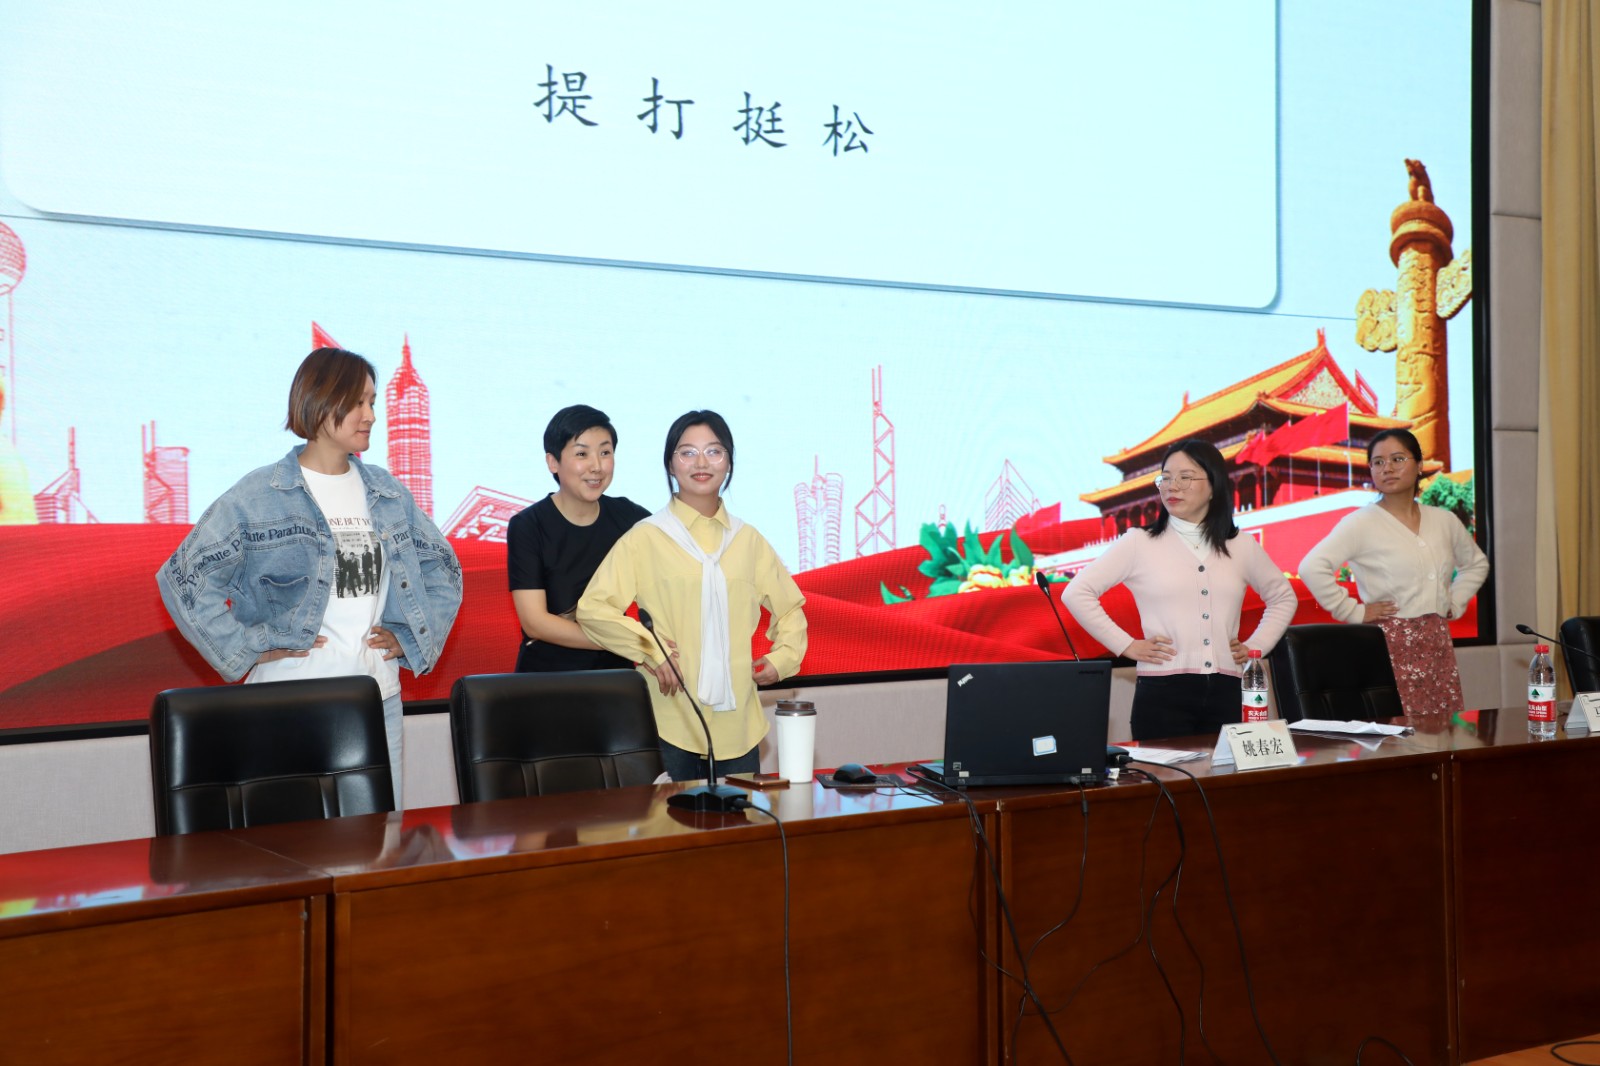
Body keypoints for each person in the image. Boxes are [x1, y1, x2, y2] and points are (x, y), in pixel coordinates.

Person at [156, 347, 462, 806]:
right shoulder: (260, 494)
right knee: (291, 842)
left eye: (372, 401)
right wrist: (250, 646)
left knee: (379, 840)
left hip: (376, 702)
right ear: (320, 403)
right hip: (286, 703)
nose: (371, 415)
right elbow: (183, 579)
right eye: (357, 402)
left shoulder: (387, 492)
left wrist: (409, 638)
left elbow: (444, 569)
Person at [576, 410, 807, 782]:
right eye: (687, 453)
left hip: (737, 725)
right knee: (669, 820)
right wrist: (651, 650)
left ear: (728, 462)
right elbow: (593, 609)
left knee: (742, 819)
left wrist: (783, 659)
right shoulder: (646, 537)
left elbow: (790, 609)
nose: (701, 463)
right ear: (670, 464)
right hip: (669, 718)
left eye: (714, 451)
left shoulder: (748, 540)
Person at [1064, 438, 1297, 741]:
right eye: (1166, 478)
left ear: (1213, 486)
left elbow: (1283, 597)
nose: (1172, 486)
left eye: (1185, 477)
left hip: (1228, 690)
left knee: (1226, 772)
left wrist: (1256, 647)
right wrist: (1126, 645)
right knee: (1163, 772)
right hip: (1162, 694)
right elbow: (1077, 592)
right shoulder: (1139, 542)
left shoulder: (1241, 545)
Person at [1300, 428, 1488, 715]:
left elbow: (1475, 564)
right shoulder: (1361, 522)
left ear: (1419, 465)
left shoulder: (1444, 521)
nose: (1387, 468)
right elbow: (1312, 567)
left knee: (1442, 729)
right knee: (1395, 730)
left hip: (1437, 643)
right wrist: (1352, 611)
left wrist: (1455, 601)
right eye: (1378, 462)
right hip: (1386, 643)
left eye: (1397, 459)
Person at [506, 405, 649, 672]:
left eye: (605, 453)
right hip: (548, 677)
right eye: (582, 454)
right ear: (553, 462)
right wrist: (631, 642)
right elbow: (535, 622)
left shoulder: (629, 517)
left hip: (616, 675)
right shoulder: (528, 525)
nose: (597, 466)